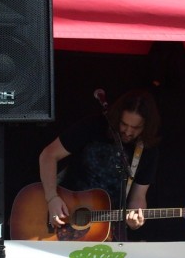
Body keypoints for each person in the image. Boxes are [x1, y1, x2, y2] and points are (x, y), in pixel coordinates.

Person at [39, 88, 162, 242]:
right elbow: (48, 155)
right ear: (117, 117)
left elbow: (138, 196)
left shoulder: (147, 150)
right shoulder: (93, 126)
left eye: (136, 128)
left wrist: (135, 220)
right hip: (64, 213)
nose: (128, 132)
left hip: (105, 230)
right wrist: (52, 198)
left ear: (146, 126)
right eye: (124, 124)